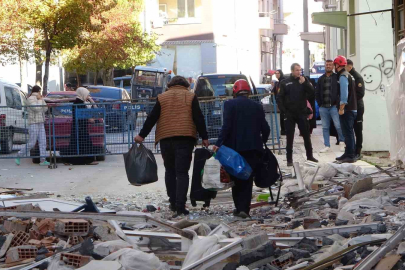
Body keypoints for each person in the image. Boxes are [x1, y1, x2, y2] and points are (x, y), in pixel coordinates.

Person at [135, 76, 209, 216]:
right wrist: (204, 137)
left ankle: (173, 203)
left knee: (170, 171)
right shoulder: (191, 96)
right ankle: (181, 206)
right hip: (185, 138)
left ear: (170, 85)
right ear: (186, 85)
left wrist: (141, 136)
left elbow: (152, 117)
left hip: (166, 138)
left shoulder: (162, 97)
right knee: (182, 173)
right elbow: (198, 117)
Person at [213, 79, 270, 219]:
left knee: (236, 177)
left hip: (234, 149)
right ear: (248, 91)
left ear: (235, 91)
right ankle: (244, 208)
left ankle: (239, 208)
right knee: (247, 178)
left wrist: (218, 144)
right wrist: (261, 142)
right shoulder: (257, 106)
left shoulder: (229, 104)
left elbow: (226, 127)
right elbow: (265, 128)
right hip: (253, 148)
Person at [278, 63, 318, 166]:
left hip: (301, 113)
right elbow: (280, 98)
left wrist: (305, 83)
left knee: (306, 135)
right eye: (297, 70)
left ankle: (310, 156)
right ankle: (289, 159)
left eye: (300, 70)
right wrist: (284, 112)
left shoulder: (304, 80)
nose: (299, 72)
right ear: (292, 71)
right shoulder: (285, 82)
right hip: (290, 114)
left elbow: (312, 92)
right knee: (290, 137)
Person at [15, 85, 50, 166]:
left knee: (43, 141)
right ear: (38, 91)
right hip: (33, 123)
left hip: (40, 122)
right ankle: (19, 155)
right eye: (39, 92)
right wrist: (40, 100)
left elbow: (45, 109)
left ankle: (43, 159)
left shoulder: (39, 99)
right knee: (32, 142)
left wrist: (41, 100)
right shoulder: (30, 99)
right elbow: (36, 108)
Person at [316, 60, 345, 153]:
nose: (328, 66)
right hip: (323, 107)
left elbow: (340, 91)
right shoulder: (321, 79)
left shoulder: (337, 77)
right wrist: (320, 104)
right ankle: (326, 145)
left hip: (333, 107)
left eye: (330, 65)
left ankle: (342, 142)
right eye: (327, 64)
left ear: (333, 66)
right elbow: (317, 92)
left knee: (338, 125)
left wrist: (337, 103)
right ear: (325, 66)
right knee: (325, 127)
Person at [64, 87, 99, 165]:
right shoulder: (79, 104)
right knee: (84, 143)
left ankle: (71, 160)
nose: (88, 96)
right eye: (87, 95)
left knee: (76, 144)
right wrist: (90, 119)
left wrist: (91, 100)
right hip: (80, 127)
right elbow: (84, 115)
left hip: (78, 127)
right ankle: (87, 160)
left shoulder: (78, 102)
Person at [334, 56, 357, 163]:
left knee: (348, 133)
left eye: (335, 65)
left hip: (347, 109)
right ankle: (347, 153)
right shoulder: (349, 75)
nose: (334, 67)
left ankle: (350, 155)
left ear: (338, 65)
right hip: (352, 108)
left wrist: (341, 107)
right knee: (348, 132)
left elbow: (344, 93)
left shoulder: (343, 76)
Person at [346, 59, 365, 160]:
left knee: (358, 129)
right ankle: (351, 149)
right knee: (349, 129)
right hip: (350, 107)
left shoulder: (357, 77)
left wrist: (351, 101)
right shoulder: (347, 76)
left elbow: (360, 94)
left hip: (358, 107)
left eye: (345, 67)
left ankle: (358, 151)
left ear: (350, 67)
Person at [273, 69, 286, 135]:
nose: (277, 74)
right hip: (279, 102)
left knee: (283, 117)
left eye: (278, 73)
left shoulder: (283, 81)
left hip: (284, 102)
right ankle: (283, 130)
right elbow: (274, 92)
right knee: (281, 117)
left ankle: (284, 130)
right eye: (276, 73)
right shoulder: (277, 82)